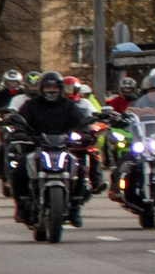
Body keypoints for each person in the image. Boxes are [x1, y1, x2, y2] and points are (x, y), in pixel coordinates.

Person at [6, 72, 94, 226]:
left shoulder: (68, 105)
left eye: (55, 88)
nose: (51, 91)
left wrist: (84, 133)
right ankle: (20, 205)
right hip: (36, 146)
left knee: (80, 170)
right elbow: (21, 120)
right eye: (48, 88)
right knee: (19, 170)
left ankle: (75, 207)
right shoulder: (31, 105)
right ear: (41, 89)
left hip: (62, 147)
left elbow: (79, 121)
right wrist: (20, 131)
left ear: (60, 89)